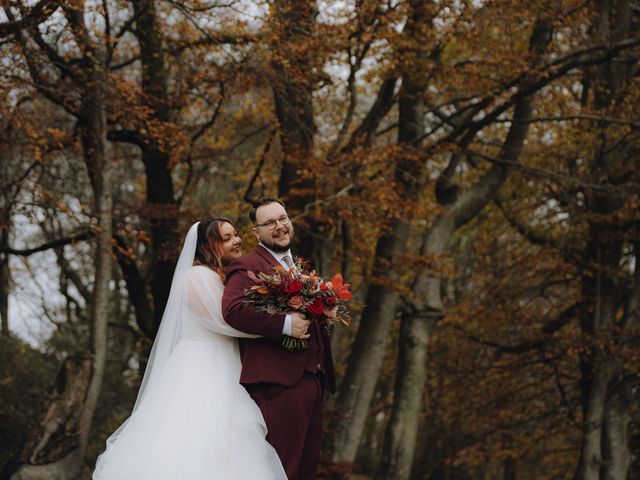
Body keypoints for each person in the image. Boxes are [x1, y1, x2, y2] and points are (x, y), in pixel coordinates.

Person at [93, 217, 291, 480]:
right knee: (200, 438)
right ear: (208, 246)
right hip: (204, 369)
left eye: (235, 234)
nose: (237, 240)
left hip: (225, 364)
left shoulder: (222, 276)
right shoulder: (197, 277)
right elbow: (225, 322)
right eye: (227, 238)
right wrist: (280, 325)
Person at [222, 197, 336, 480]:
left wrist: (323, 311)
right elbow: (233, 310)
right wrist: (285, 324)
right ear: (256, 232)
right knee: (280, 470)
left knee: (305, 471)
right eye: (269, 223)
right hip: (279, 385)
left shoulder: (298, 266)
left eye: (283, 218)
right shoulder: (247, 266)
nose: (279, 226)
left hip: (313, 379)